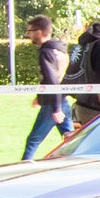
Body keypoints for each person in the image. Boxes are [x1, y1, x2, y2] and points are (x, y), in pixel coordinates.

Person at [22, 15, 72, 159]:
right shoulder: (59, 50)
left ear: (39, 31)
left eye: (30, 31)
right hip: (61, 99)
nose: (28, 34)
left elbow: (52, 80)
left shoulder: (46, 52)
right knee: (70, 139)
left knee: (33, 140)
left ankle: (23, 169)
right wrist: (40, 97)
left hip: (53, 103)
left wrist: (56, 108)